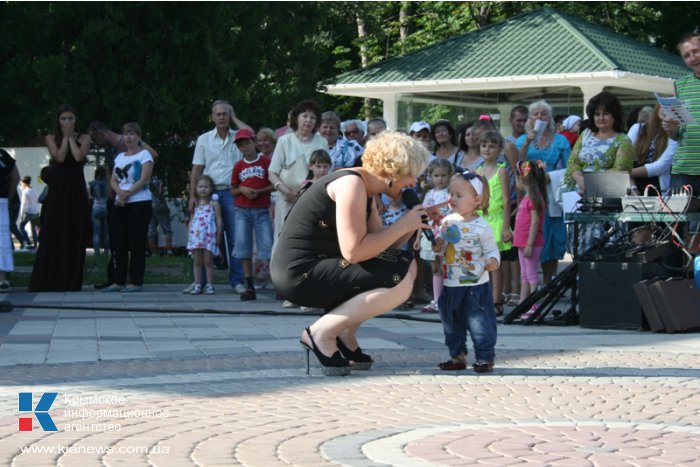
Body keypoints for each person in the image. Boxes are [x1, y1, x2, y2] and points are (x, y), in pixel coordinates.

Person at [270, 131, 430, 376]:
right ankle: (321, 333)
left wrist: (412, 225)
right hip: (298, 274)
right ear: (393, 170)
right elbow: (354, 252)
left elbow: (382, 251)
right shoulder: (351, 184)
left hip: (319, 267)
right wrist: (403, 225)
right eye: (411, 175)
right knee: (400, 275)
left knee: (402, 264)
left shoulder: (364, 188)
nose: (413, 183)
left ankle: (344, 332)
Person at [432, 168, 499, 372]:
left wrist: (492, 262)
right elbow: (443, 248)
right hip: (451, 284)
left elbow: (492, 251)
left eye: (459, 195)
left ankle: (485, 357)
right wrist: (438, 245)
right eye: (451, 194)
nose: (452, 199)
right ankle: (457, 355)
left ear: (477, 200)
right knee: (451, 324)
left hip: (475, 285)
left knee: (480, 323)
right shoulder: (447, 222)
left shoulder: (482, 227)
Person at [189, 99, 253, 294]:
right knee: (202, 237)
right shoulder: (204, 139)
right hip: (208, 193)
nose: (222, 117)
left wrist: (235, 118)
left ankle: (237, 281)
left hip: (232, 191)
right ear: (213, 117)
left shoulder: (239, 137)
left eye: (225, 114)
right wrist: (192, 195)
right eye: (218, 114)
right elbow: (197, 168)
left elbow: (252, 135)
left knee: (236, 237)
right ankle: (200, 281)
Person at [88, 121, 159, 289]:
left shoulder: (144, 155)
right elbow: (113, 179)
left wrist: (128, 193)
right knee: (118, 242)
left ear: (139, 137)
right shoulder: (119, 157)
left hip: (139, 201)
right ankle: (118, 280)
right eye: (126, 133)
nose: (128, 137)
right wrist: (119, 192)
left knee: (136, 242)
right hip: (120, 202)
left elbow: (144, 179)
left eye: (132, 134)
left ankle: (135, 281)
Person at [28, 104, 90, 292]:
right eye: (64, 119)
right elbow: (59, 158)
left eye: (70, 118)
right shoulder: (50, 137)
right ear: (58, 120)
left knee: (74, 228)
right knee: (54, 227)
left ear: (76, 120)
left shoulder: (85, 137)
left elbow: (79, 157)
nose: (67, 122)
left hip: (76, 187)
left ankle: (71, 280)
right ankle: (50, 278)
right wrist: (65, 138)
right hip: (58, 187)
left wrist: (71, 138)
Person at [565, 92, 634, 255]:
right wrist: (581, 180)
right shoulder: (585, 134)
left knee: (606, 252)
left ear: (614, 115)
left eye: (605, 113)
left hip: (608, 203)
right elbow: (572, 162)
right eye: (597, 114)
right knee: (580, 251)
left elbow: (620, 171)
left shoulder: (623, 140)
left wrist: (589, 183)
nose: (601, 117)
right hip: (580, 200)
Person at [516, 100, 571, 284]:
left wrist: (551, 177)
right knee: (530, 237)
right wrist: (527, 143)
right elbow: (518, 166)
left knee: (552, 238)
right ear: (530, 118)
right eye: (535, 114)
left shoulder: (561, 140)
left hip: (552, 195)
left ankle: (548, 282)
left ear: (550, 118)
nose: (539, 117)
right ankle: (531, 284)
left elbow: (571, 168)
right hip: (530, 194)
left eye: (543, 114)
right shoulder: (522, 140)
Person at [268, 99, 328, 244]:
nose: (308, 120)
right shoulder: (284, 141)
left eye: (313, 117)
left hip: (313, 200)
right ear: (296, 118)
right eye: (305, 116)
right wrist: (286, 191)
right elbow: (272, 172)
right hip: (287, 199)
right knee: (285, 239)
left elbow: (326, 170)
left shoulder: (322, 142)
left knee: (310, 238)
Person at [231, 128, 274, 301]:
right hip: (242, 210)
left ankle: (276, 282)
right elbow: (233, 190)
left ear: (253, 142)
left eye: (247, 143)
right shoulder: (238, 166)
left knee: (268, 246)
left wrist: (260, 191)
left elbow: (274, 183)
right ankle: (249, 286)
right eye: (241, 145)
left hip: (261, 209)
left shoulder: (265, 161)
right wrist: (242, 189)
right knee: (243, 246)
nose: (245, 147)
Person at [476, 131, 512, 316]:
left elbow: (506, 200)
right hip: (482, 219)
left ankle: (497, 300)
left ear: (499, 149)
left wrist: (506, 226)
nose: (487, 149)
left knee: (496, 263)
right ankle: (485, 297)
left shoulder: (502, 170)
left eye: (491, 146)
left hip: (497, 221)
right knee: (483, 262)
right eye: (483, 145)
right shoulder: (478, 171)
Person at [663, 31, 700, 195]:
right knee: (676, 220)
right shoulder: (680, 85)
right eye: (686, 55)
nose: (692, 58)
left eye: (696, 51)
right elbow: (676, 135)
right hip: (683, 168)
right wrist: (670, 128)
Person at [418, 158, 452, 314]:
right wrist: (418, 237)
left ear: (449, 176)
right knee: (435, 267)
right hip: (430, 234)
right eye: (437, 175)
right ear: (430, 176)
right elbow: (422, 217)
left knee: (448, 267)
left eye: (443, 175)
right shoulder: (429, 195)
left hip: (447, 235)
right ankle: (437, 300)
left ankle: (449, 299)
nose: (440, 179)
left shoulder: (451, 194)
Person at [513, 161, 547, 317]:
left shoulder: (534, 198)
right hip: (523, 243)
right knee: (524, 275)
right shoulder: (528, 198)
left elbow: (534, 223)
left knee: (532, 275)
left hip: (530, 244)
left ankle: (534, 305)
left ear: (522, 179)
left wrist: (529, 244)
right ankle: (523, 304)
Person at [629, 103, 676, 194]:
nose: (666, 109)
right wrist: (633, 187)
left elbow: (660, 167)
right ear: (657, 107)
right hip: (633, 185)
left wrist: (626, 173)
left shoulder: (673, 136)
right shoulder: (637, 128)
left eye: (671, 108)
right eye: (663, 104)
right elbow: (624, 158)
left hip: (658, 189)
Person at [187, 175, 222, 295]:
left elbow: (218, 220)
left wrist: (218, 235)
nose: (203, 189)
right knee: (197, 261)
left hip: (209, 237)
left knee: (208, 261)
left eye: (206, 187)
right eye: (200, 186)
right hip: (196, 237)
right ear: (196, 188)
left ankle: (210, 285)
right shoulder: (195, 204)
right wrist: (189, 236)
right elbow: (191, 220)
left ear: (211, 188)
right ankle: (197, 284)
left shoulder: (214, 204)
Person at [0, 148, 20, 292]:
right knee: (2, 240)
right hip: (1, 200)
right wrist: (9, 197)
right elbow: (15, 176)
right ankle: (2, 278)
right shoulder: (2, 154)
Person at [148, 175, 174, 255]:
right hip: (159, 204)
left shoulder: (145, 176)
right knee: (166, 228)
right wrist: (164, 203)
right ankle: (169, 250)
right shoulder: (159, 177)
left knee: (151, 229)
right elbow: (160, 192)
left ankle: (153, 252)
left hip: (149, 204)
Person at [88, 166, 109, 255]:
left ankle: (96, 252)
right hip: (105, 207)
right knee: (106, 232)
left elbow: (90, 196)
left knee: (96, 232)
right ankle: (106, 251)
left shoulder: (92, 183)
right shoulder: (108, 183)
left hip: (96, 207)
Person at [18, 176, 40, 249]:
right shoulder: (34, 189)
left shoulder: (25, 191)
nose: (20, 184)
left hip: (29, 212)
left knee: (21, 226)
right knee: (33, 229)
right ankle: (35, 244)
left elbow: (23, 204)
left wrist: (21, 215)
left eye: (21, 183)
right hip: (36, 211)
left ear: (24, 183)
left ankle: (27, 241)